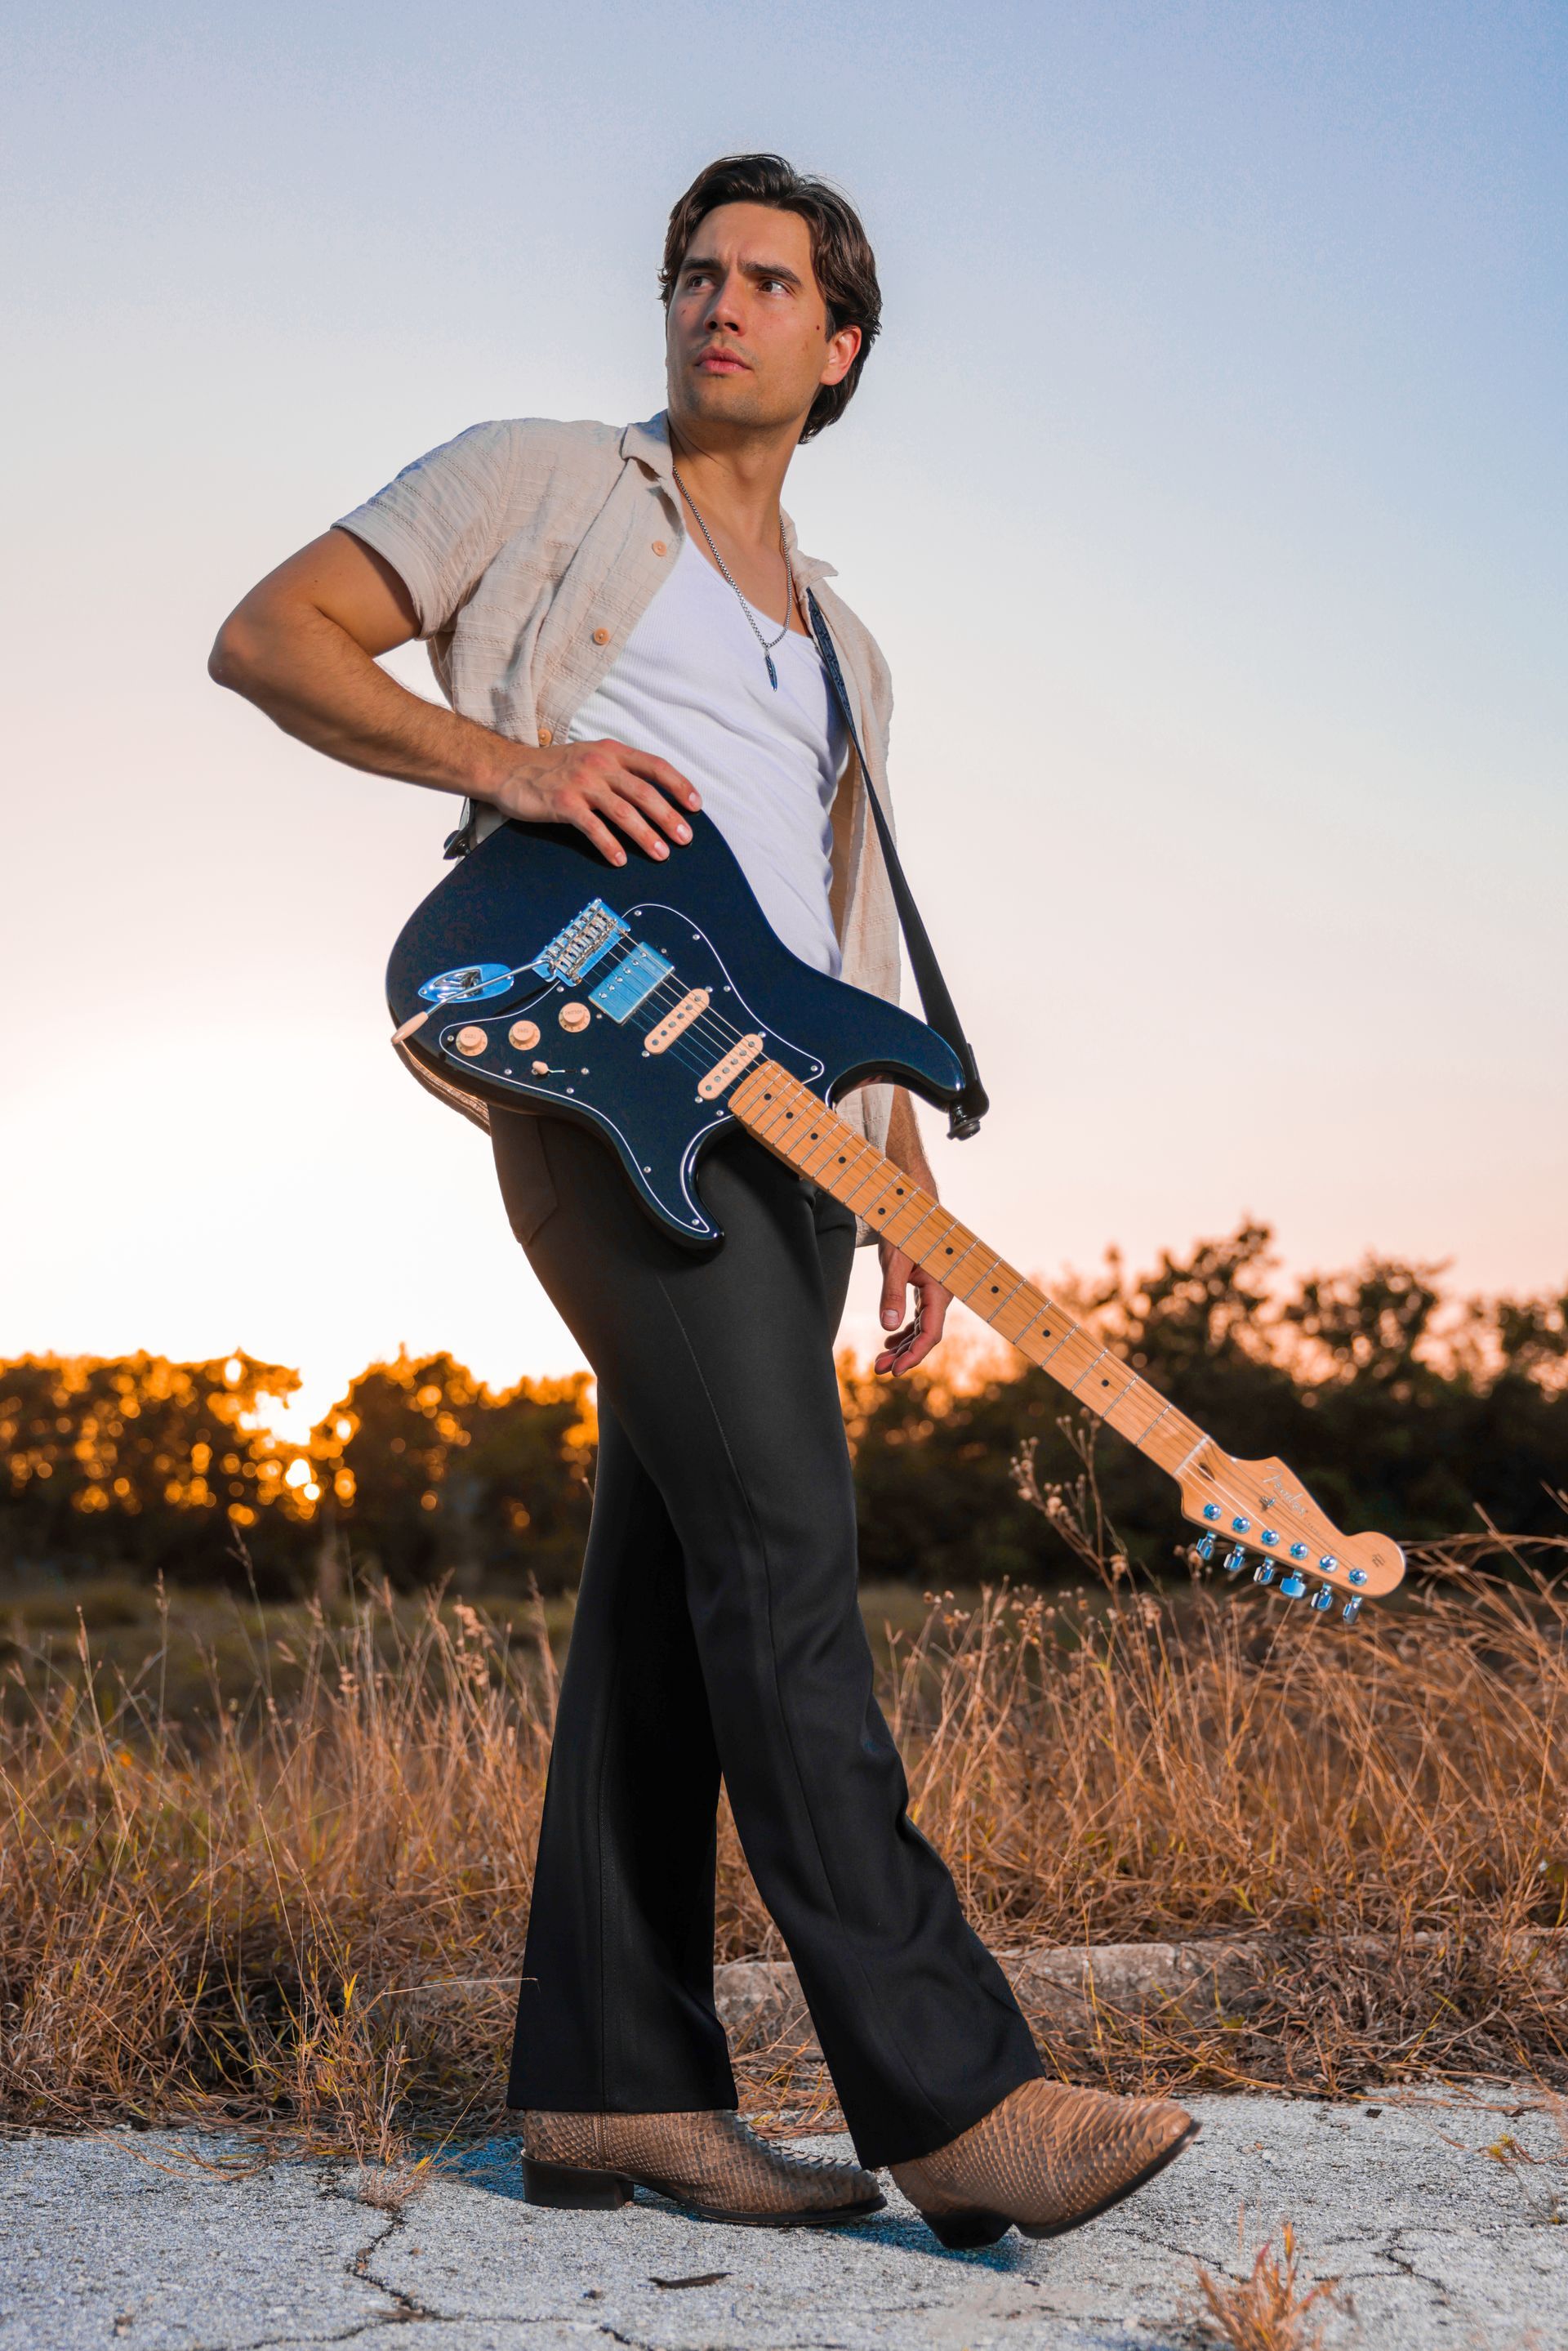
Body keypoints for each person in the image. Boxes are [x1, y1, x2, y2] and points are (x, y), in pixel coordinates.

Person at [209, 152, 1196, 2245]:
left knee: (669, 1588)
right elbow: (270, 637)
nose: (715, 303)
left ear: (841, 350)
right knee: (783, 1543)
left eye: (767, 280)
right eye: (693, 272)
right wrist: (511, 768)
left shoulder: (845, 650)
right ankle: (960, 2097)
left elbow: (844, 943)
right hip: (599, 1088)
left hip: (796, 1145)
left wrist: (904, 1181)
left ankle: (610, 2091)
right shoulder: (546, 481)